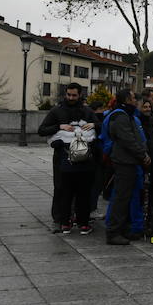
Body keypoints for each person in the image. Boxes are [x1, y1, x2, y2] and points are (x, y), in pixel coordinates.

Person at [38, 82, 99, 234]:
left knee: (83, 192)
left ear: (80, 95)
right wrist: (59, 126)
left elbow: (100, 125)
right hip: (62, 159)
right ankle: (59, 221)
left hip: (84, 159)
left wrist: (93, 124)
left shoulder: (87, 110)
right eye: (69, 95)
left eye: (74, 95)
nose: (71, 98)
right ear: (65, 94)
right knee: (61, 190)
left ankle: (82, 221)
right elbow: (42, 130)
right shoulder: (56, 111)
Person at [104, 89, 150, 245]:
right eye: (133, 98)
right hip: (124, 162)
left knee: (127, 197)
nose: (136, 100)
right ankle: (113, 232)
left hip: (130, 162)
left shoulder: (127, 115)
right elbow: (128, 140)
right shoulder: (120, 116)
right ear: (127, 100)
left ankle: (122, 229)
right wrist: (142, 155)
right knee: (121, 198)